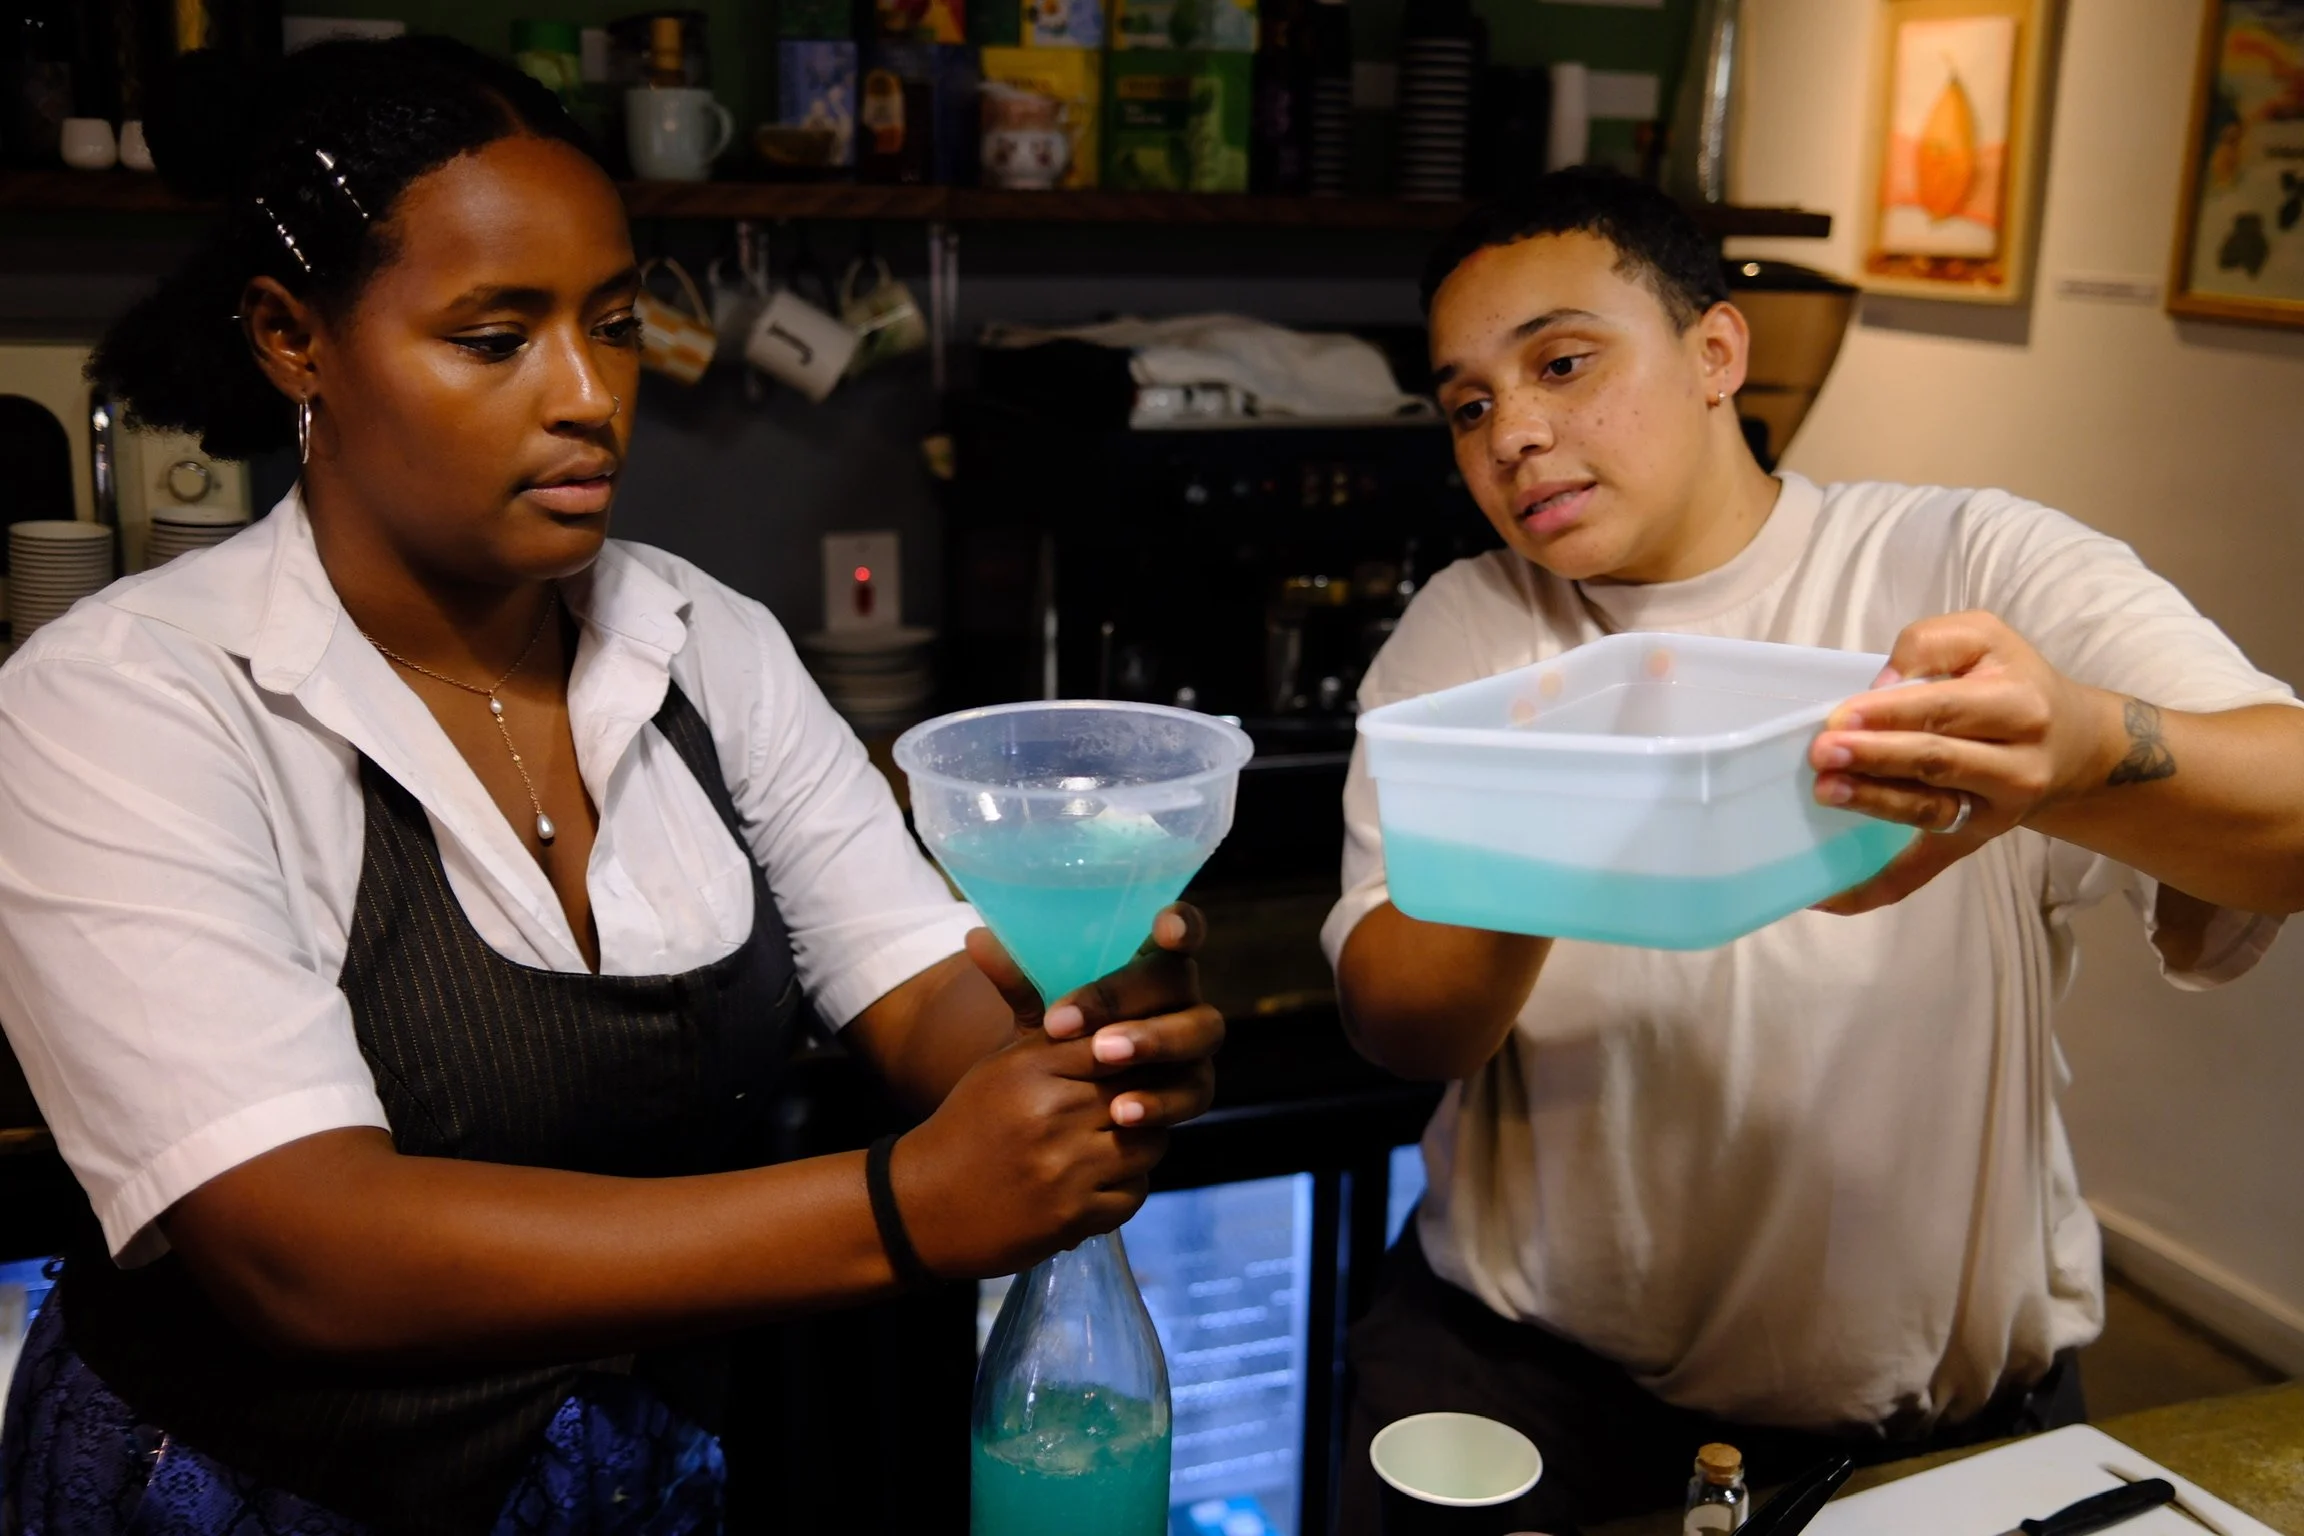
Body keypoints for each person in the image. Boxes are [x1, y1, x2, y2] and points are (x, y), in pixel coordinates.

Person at [0, 38, 1223, 1535]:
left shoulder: (705, 642)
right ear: (292, 339)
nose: (591, 395)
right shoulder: (128, 697)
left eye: (618, 320)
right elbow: (297, 1245)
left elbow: (917, 989)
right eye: (494, 336)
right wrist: (904, 1209)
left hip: (646, 1490)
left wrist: (1070, 1070)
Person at [1328, 169, 2304, 1532]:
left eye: (1563, 363)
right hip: (1536, 1395)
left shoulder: (1960, 560)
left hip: (1949, 1430)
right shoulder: (1476, 633)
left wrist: (2077, 750)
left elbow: (2291, 815)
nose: (1517, 436)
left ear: (1718, 351)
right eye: (1470, 406)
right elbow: (1397, 1023)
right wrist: (1548, 821)